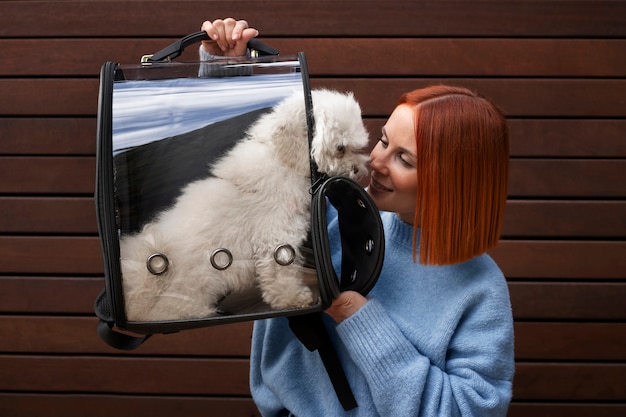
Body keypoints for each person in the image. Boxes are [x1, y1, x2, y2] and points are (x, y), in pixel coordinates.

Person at [200, 18, 515, 417]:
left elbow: (467, 410)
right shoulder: (327, 212)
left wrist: (358, 317)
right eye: (384, 139)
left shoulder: (480, 289)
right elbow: (245, 165)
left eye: (404, 159)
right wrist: (229, 73)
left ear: (452, 184)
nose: (374, 163)